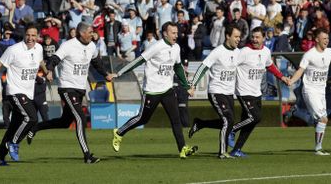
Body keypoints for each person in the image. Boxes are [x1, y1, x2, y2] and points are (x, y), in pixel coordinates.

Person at [27, 22, 115, 164]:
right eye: (90, 32)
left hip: (80, 89)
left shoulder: (92, 46)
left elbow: (96, 63)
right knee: (80, 118)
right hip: (67, 88)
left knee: (64, 122)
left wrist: (105, 75)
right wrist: (48, 70)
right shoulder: (68, 45)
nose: (92, 34)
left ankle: (36, 127)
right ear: (82, 33)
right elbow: (54, 59)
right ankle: (87, 155)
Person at [112, 22, 198, 158]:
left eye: (177, 32)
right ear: (165, 34)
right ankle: (119, 132)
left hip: (167, 90)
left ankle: (183, 149)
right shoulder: (157, 47)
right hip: (152, 90)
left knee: (176, 119)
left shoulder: (176, 47)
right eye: (173, 33)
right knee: (142, 119)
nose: (176, 35)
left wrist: (187, 86)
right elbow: (139, 60)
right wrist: (119, 73)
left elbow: (178, 67)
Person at [0, 24, 45, 165]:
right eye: (28, 35)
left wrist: (46, 71)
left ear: (37, 36)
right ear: (24, 35)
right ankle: (14, 143)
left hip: (28, 92)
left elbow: (40, 61)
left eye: (33, 35)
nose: (30, 38)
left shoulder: (39, 48)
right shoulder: (13, 50)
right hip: (15, 91)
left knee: (14, 126)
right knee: (32, 118)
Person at [227, 27, 290, 157]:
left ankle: (236, 150)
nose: (255, 40)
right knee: (255, 117)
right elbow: (230, 65)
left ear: (263, 38)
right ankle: (231, 130)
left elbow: (270, 66)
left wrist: (282, 77)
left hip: (256, 93)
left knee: (251, 121)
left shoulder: (266, 51)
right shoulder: (244, 51)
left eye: (257, 37)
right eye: (253, 37)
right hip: (243, 92)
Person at [188, 24, 241, 159]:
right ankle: (222, 152)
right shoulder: (217, 51)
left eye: (239, 37)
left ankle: (201, 123)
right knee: (228, 120)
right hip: (216, 91)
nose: (238, 39)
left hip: (229, 93)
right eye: (236, 36)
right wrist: (193, 84)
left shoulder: (238, 52)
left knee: (228, 122)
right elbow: (203, 67)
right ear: (228, 36)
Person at [289, 28, 331, 155]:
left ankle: (296, 112)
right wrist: (291, 81)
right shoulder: (309, 54)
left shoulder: (330, 52)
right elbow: (300, 70)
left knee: (317, 121)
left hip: (321, 91)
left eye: (327, 38)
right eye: (324, 38)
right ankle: (318, 149)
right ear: (317, 39)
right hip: (310, 90)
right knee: (323, 119)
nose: (327, 40)